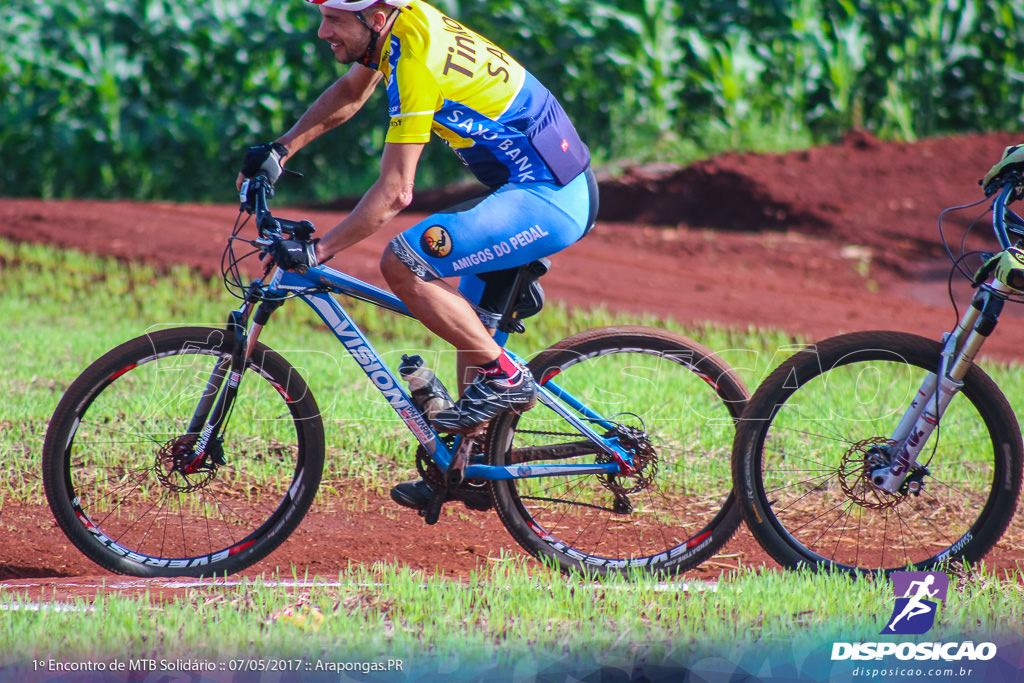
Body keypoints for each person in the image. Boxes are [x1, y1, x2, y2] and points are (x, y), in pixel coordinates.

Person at [237, 0, 598, 511]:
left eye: (334, 20)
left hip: (550, 196)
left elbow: (397, 191)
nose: (322, 32)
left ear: (375, 18)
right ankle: (466, 466)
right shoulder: (398, 30)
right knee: (471, 328)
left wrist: (320, 249)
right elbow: (350, 91)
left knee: (403, 261)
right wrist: (281, 148)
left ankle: (510, 379)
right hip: (523, 190)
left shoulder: (414, 56)